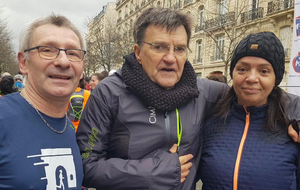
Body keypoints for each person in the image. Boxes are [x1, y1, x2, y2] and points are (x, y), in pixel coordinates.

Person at [76, 7, 228, 190]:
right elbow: (85, 166)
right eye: (159, 47)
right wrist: (152, 173)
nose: (171, 58)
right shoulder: (108, 93)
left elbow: (252, 93)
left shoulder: (203, 92)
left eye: (179, 49)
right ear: (138, 52)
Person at [199, 32, 300, 189]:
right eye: (242, 69)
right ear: (233, 73)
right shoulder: (211, 120)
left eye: (264, 71)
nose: (252, 78)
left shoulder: (293, 130)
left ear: (276, 79)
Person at [0, 14, 86, 189]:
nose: (63, 61)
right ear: (23, 62)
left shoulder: (69, 128)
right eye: (47, 50)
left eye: (73, 53)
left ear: (82, 68)